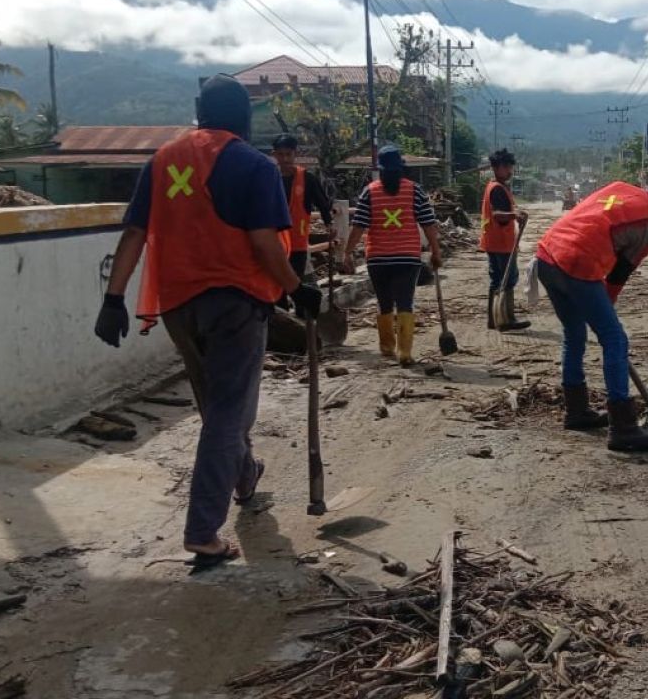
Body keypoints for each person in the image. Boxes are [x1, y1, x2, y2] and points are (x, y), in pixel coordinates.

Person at [94, 74, 321, 566]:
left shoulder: (162, 161)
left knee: (217, 404)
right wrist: (296, 289)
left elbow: (134, 234)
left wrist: (113, 299)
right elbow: (264, 244)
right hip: (235, 303)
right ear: (243, 118)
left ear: (200, 111)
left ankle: (244, 477)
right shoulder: (253, 165)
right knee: (228, 412)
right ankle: (203, 532)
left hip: (177, 304)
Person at [534, 175, 648, 452]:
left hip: (547, 255)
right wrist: (603, 312)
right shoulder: (647, 229)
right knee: (615, 340)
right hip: (577, 263)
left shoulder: (621, 188)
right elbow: (617, 278)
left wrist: (598, 308)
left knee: (574, 334)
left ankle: (577, 411)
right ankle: (623, 427)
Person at [341, 145, 442, 367]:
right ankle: (404, 351)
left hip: (378, 258)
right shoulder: (415, 190)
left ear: (381, 169)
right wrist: (436, 251)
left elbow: (358, 226)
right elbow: (428, 224)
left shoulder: (370, 191)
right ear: (401, 169)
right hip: (407, 258)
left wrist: (346, 254)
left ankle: (387, 347)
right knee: (405, 301)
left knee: (384, 302)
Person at [272, 134, 337, 280]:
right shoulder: (268, 177)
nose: (285, 159)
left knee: (296, 280)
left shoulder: (307, 178)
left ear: (296, 154)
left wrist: (329, 224)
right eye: (281, 155)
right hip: (273, 242)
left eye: (288, 154)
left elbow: (323, 204)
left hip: (297, 242)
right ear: (274, 155)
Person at [480, 148, 530, 331]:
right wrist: (514, 214)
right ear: (498, 167)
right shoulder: (497, 189)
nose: (510, 171)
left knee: (499, 280)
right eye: (508, 167)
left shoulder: (494, 187)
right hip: (500, 243)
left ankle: (496, 319)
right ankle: (505, 318)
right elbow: (498, 215)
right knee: (505, 280)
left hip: (496, 241)